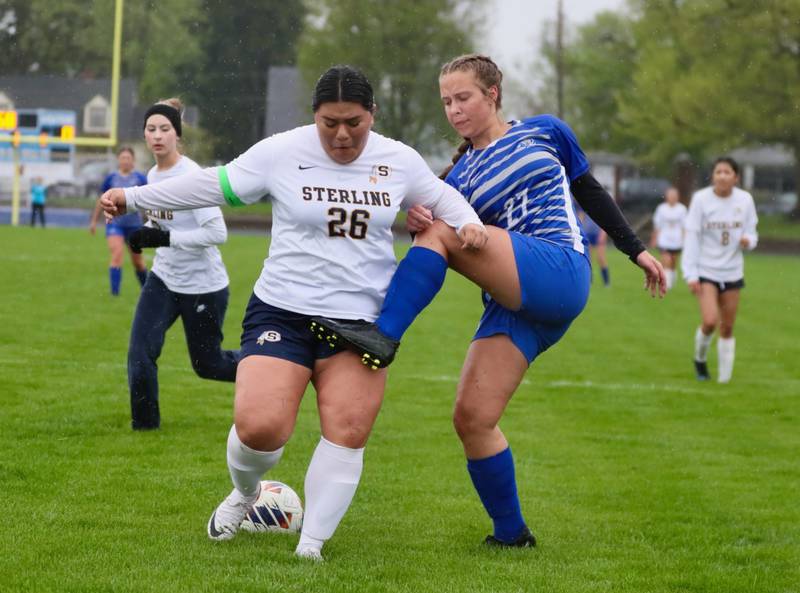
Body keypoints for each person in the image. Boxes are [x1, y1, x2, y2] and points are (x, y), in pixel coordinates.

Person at [100, 66, 486, 560]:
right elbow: (210, 186)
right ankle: (245, 493)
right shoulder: (282, 151)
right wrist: (132, 197)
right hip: (281, 309)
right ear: (314, 117)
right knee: (259, 427)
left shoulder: (399, 160)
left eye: (354, 122)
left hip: (358, 323)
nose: (342, 134)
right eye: (329, 123)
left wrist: (469, 222)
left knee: (348, 430)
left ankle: (311, 547)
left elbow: (441, 196)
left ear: (373, 115)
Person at [309, 54, 665, 548]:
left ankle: (382, 334)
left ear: (492, 94)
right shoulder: (454, 180)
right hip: (514, 303)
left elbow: (589, 190)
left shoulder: (545, 131)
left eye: (463, 98)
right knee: (472, 418)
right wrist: (416, 218)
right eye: (447, 102)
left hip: (560, 270)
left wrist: (638, 251)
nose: (454, 110)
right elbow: (417, 219)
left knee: (438, 231)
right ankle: (511, 535)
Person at [125, 99, 241, 430]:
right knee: (140, 354)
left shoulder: (193, 176)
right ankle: (144, 429)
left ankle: (270, 368)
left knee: (210, 366)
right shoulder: (151, 174)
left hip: (203, 286)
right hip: (163, 279)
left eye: (165, 129)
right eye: (151, 129)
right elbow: (163, 226)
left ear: (177, 134)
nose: (157, 136)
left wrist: (164, 240)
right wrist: (145, 234)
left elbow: (217, 232)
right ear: (145, 136)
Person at [682, 157, 757, 383]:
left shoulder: (745, 200)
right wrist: (691, 273)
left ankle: (724, 381)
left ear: (736, 177)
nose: (722, 176)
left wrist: (748, 241)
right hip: (707, 270)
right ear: (713, 176)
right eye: (718, 172)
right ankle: (700, 359)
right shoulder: (701, 200)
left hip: (733, 271)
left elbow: (753, 232)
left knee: (727, 327)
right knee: (710, 321)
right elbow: (692, 237)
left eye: (727, 172)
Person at [89, 147, 149, 295]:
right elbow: (101, 201)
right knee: (117, 255)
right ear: (118, 160)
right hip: (115, 224)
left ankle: (147, 292)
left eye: (128, 158)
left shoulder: (140, 179)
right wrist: (94, 221)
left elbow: (149, 201)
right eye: (123, 158)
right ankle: (114, 294)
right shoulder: (111, 179)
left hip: (134, 226)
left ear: (133, 161)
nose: (125, 161)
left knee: (138, 262)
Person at [651, 186, 687, 291]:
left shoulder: (682, 209)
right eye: (670, 195)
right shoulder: (661, 208)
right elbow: (657, 226)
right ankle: (667, 284)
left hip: (677, 241)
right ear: (667, 196)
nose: (672, 197)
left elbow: (685, 227)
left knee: (673, 262)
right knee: (666, 259)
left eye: (674, 195)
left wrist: (685, 240)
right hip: (664, 240)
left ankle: (672, 277)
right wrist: (654, 238)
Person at [577, 205, 610, 286]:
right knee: (589, 260)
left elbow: (606, 220)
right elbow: (580, 218)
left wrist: (603, 233)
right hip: (588, 233)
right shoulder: (583, 202)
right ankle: (589, 282)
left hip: (598, 233)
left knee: (601, 258)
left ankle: (607, 283)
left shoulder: (601, 203)